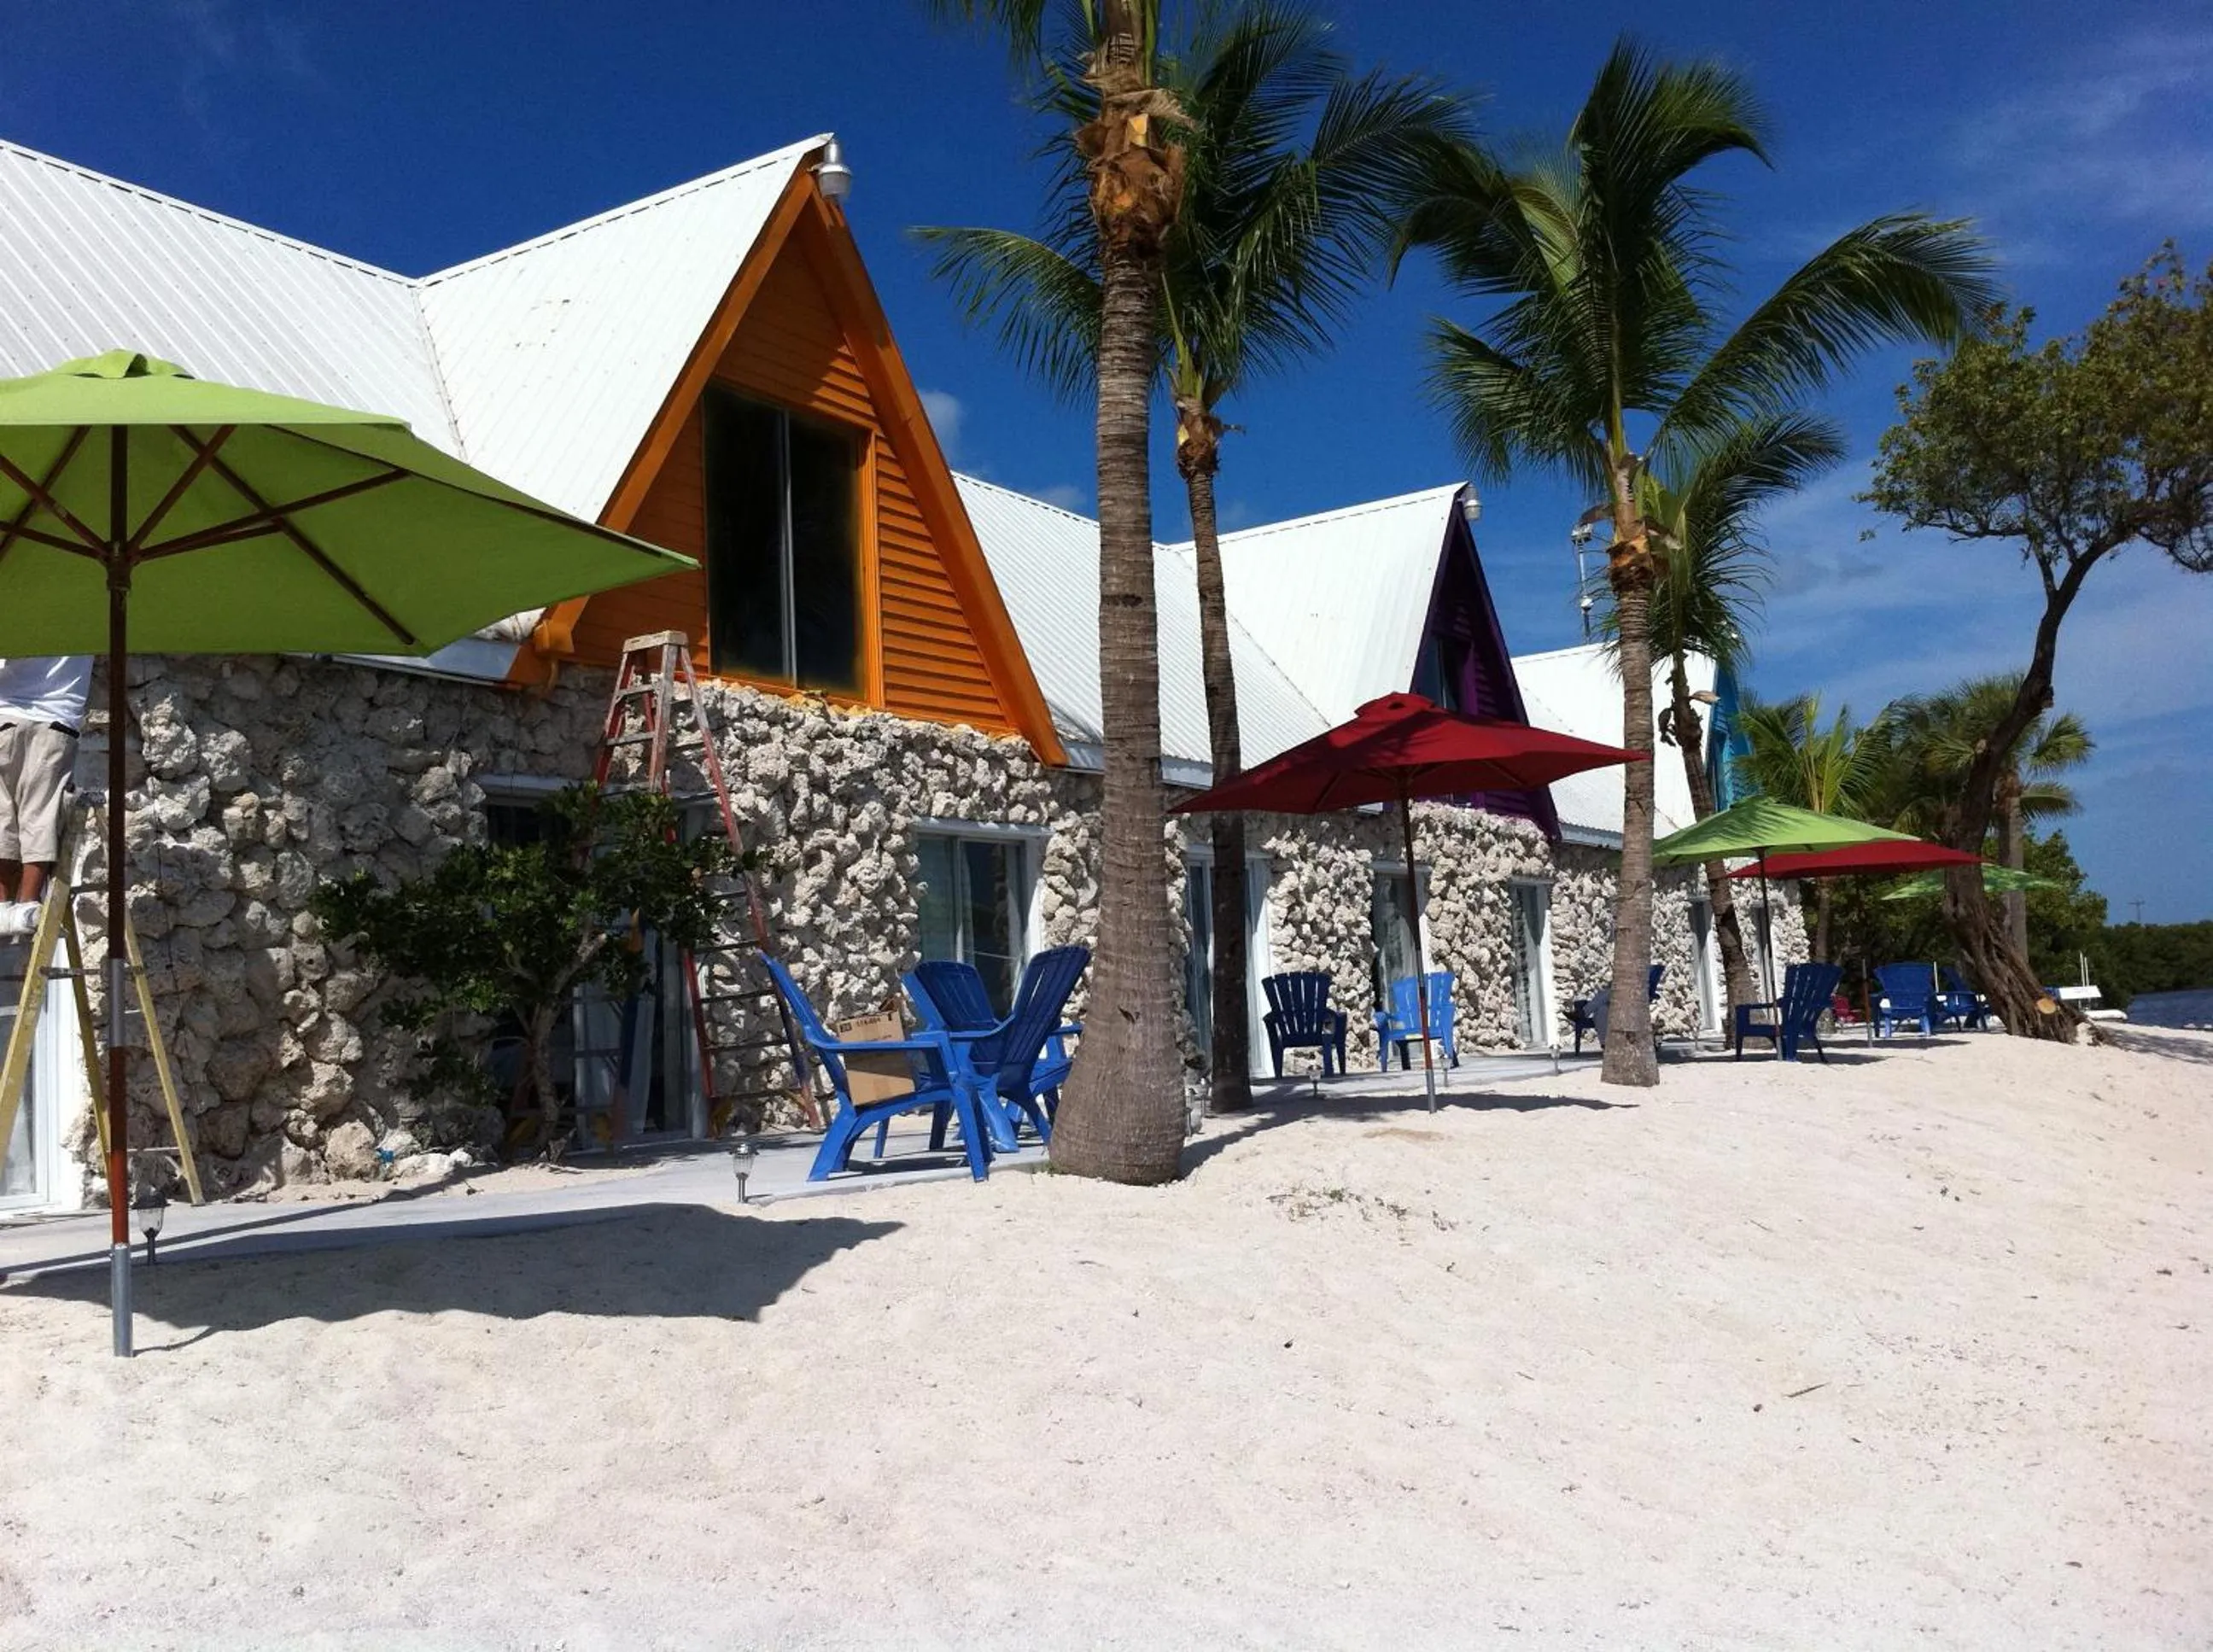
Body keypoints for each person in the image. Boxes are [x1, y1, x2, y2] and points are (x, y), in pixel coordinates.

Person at [0, 656, 91, 937]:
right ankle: (27, 905)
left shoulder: (24, 613)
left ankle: (2, 906)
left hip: (6, 715)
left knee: (2, 815)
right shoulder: (93, 614)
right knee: (41, 812)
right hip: (57, 720)